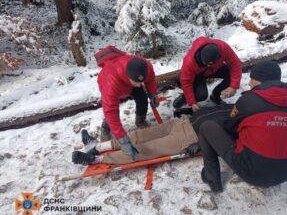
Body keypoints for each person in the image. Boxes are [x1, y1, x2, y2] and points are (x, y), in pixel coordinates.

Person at [199, 60, 287, 192]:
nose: (249, 83)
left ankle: (211, 177)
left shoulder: (250, 100)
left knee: (206, 127)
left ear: (260, 80)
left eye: (252, 78)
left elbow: (229, 128)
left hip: (255, 173)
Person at [72, 104, 233, 166]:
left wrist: (202, 145)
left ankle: (96, 159)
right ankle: (98, 146)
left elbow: (231, 141)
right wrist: (187, 111)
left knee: (145, 149)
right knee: (139, 135)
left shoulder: (249, 123)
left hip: (191, 137)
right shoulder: (240, 104)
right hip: (183, 122)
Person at [94, 45, 159, 161]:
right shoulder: (110, 83)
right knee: (112, 112)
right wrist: (123, 140)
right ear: (129, 77)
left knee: (142, 99)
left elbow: (151, 78)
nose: (140, 85)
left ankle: (140, 120)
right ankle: (105, 129)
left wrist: (153, 93)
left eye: (142, 82)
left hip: (127, 82)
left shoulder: (144, 66)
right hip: (112, 82)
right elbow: (110, 111)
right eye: (137, 82)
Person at [173, 36, 242, 111]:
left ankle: (215, 96)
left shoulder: (223, 48)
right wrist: (192, 102)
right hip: (198, 74)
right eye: (206, 63)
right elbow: (186, 82)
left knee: (231, 75)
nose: (208, 65)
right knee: (201, 95)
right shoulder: (189, 62)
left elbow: (236, 63)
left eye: (210, 63)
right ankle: (184, 98)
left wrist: (233, 86)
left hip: (215, 68)